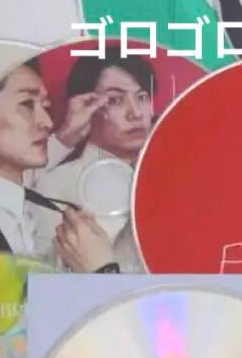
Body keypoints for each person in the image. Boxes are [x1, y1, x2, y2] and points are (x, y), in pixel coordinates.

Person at [0, 60, 117, 271]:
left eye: (45, 106)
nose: (47, 122)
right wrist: (101, 269)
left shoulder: (5, 189)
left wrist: (66, 136)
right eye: (26, 105)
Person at [31, 55, 154, 268]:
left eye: (142, 97)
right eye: (115, 100)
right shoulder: (55, 186)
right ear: (86, 108)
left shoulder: (169, 179)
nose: (136, 113)